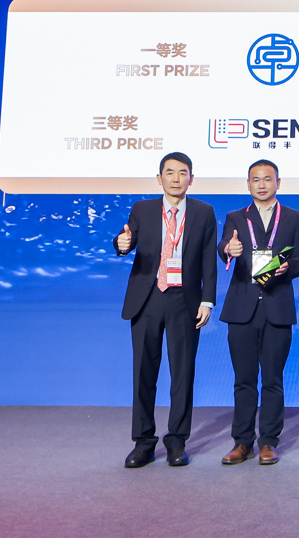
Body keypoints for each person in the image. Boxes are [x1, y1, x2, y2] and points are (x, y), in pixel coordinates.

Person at [112, 151, 218, 468]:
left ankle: (177, 442)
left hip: (184, 300)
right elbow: (126, 240)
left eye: (182, 173)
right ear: (159, 178)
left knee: (182, 373)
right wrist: (121, 245)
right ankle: (143, 442)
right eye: (169, 173)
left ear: (191, 179)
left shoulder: (203, 212)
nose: (175, 178)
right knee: (143, 372)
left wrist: (207, 300)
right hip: (147, 299)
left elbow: (209, 261)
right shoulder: (142, 209)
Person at [216, 160, 299, 467]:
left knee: (273, 379)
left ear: (278, 183)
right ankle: (242, 442)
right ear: (248, 184)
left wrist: (289, 267)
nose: (261, 184)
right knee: (243, 380)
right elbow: (223, 246)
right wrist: (228, 250)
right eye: (255, 179)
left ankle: (268, 441)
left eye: (267, 179)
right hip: (242, 308)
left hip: (277, 307)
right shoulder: (235, 217)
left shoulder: (294, 218)